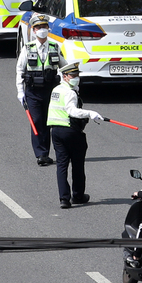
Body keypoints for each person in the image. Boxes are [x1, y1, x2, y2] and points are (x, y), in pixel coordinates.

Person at [48, 62, 103, 209]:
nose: (76, 78)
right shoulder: (70, 92)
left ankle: (64, 199)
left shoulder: (56, 90)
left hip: (56, 131)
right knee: (77, 165)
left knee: (61, 165)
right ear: (65, 77)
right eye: (73, 75)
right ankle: (78, 196)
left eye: (77, 75)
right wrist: (90, 113)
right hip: (70, 131)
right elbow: (72, 111)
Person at [16, 14, 61, 167]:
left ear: (48, 28)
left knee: (49, 122)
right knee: (36, 121)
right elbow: (20, 70)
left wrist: (71, 84)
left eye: (44, 27)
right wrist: (20, 91)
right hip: (33, 92)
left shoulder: (55, 47)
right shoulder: (28, 48)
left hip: (50, 91)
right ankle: (41, 154)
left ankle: (46, 153)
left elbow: (64, 67)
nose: (42, 30)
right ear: (34, 30)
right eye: (38, 27)